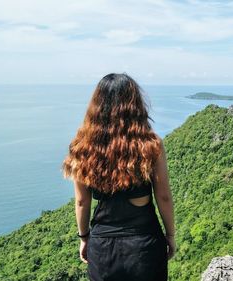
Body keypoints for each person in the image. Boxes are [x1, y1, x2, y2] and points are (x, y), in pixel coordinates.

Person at [61, 73, 176, 281]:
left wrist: (84, 238)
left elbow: (81, 201)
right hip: (145, 246)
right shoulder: (151, 145)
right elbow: (164, 196)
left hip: (103, 250)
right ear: (135, 104)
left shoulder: (82, 146)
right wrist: (170, 236)